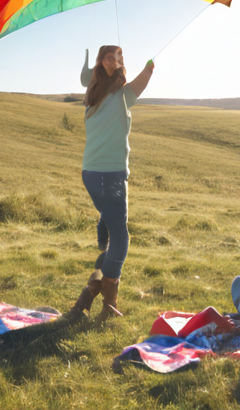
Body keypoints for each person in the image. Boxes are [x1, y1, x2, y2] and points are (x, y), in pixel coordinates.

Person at [69, 46, 154, 319]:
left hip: (90, 174)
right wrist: (150, 66)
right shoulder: (119, 96)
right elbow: (141, 82)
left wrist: (113, 70)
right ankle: (107, 304)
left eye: (120, 58)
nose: (117, 61)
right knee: (121, 239)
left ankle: (86, 298)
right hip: (111, 175)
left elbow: (97, 81)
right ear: (101, 63)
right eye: (111, 57)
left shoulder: (91, 97)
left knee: (108, 238)